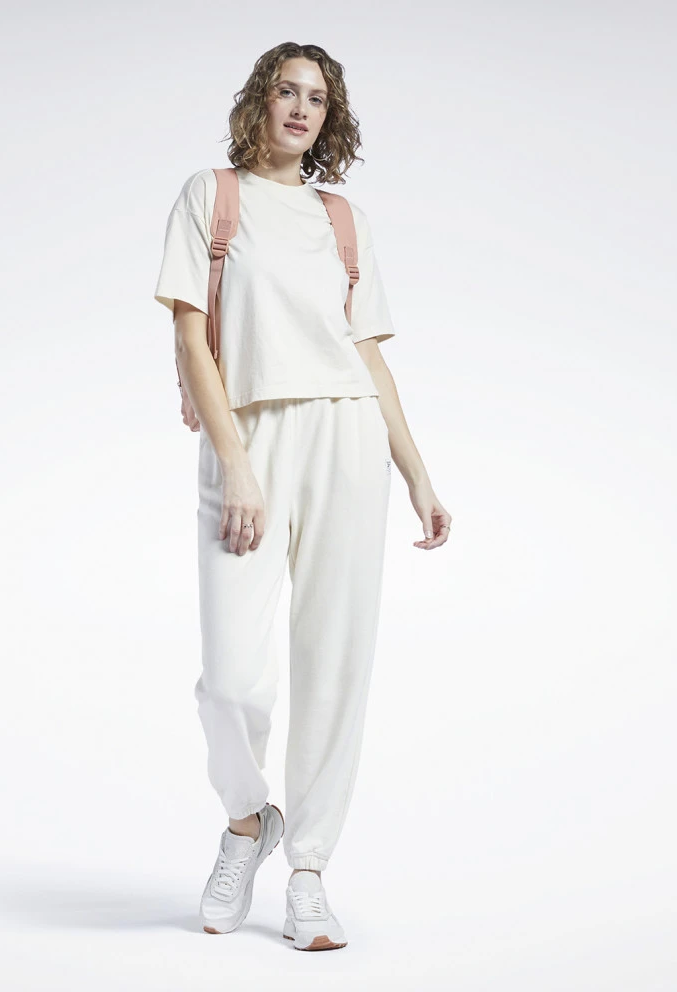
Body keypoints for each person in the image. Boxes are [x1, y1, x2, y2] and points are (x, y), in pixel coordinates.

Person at [153, 41, 451, 951]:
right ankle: (249, 821)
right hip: (248, 438)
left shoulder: (341, 219)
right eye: (286, 91)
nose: (300, 108)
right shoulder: (213, 197)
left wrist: (416, 472)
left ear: (330, 117)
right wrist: (237, 464)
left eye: (317, 99)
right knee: (231, 678)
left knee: (334, 657)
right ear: (259, 100)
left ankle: (310, 870)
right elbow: (192, 338)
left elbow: (368, 357)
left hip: (346, 438)